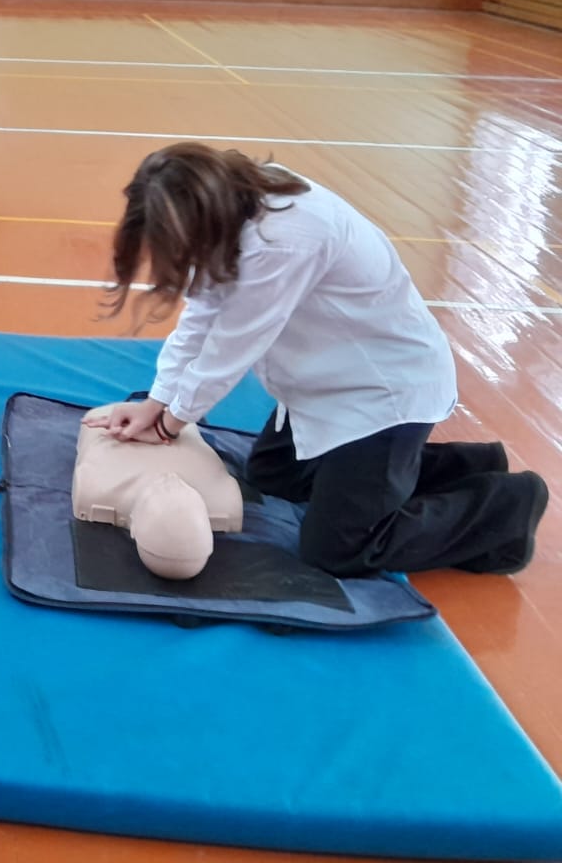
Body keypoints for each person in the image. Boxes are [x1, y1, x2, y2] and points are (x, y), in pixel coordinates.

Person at [86, 142, 547, 577]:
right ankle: (467, 465)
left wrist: (169, 424)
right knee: (273, 477)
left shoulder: (282, 237)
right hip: (327, 385)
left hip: (384, 394)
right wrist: (157, 402)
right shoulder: (234, 204)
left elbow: (230, 348)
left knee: (338, 548)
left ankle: (507, 505)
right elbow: (202, 312)